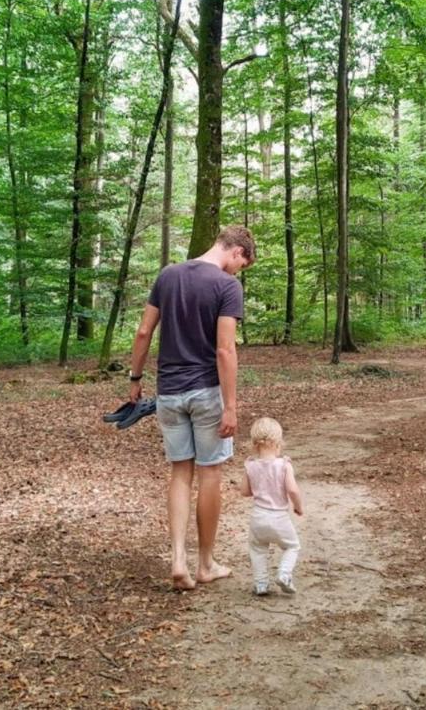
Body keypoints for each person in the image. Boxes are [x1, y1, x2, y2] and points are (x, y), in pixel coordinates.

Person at [128, 225, 256, 590]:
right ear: (235, 252)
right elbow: (225, 350)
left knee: (180, 474)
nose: (237, 272)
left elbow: (143, 333)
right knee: (210, 473)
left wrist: (135, 380)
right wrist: (230, 406)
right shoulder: (227, 286)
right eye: (241, 265)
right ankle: (205, 564)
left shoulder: (168, 275)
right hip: (206, 392)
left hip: (168, 392)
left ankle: (178, 560)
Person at [240, 416, 303, 596]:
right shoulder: (284, 465)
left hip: (258, 517)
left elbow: (244, 491)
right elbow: (293, 490)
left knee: (258, 549)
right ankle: (284, 574)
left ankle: (261, 584)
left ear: (255, 443)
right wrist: (298, 506)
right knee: (292, 546)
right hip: (279, 517)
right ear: (278, 442)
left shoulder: (250, 465)